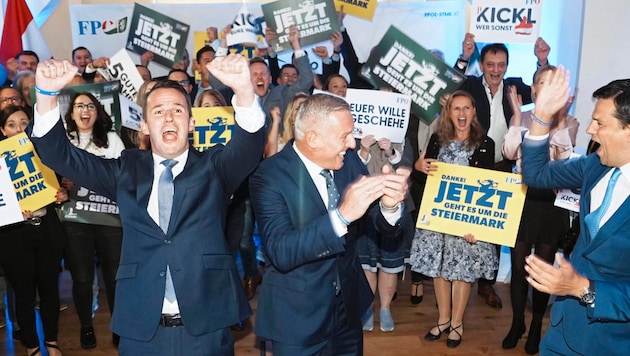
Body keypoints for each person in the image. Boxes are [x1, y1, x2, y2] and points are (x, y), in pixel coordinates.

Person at [30, 54, 265, 355]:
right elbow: (58, 155)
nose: (168, 117)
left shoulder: (215, 167)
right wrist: (47, 95)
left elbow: (250, 144)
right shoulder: (125, 170)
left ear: (191, 123)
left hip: (206, 324)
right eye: (158, 111)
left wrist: (245, 91)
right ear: (143, 125)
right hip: (142, 329)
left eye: (178, 110)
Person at [250, 93, 410, 355]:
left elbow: (381, 225)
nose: (351, 143)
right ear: (313, 139)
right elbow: (281, 251)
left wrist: (389, 206)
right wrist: (342, 216)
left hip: (347, 309)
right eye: (344, 136)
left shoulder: (347, 163)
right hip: (297, 316)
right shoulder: (269, 176)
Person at [522, 69, 630, 355]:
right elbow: (535, 174)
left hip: (609, 341)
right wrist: (542, 115)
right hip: (562, 330)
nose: (590, 130)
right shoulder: (596, 165)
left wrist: (582, 287)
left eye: (599, 123)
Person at [410, 90, 497, 348]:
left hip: (467, 221)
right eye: (456, 109)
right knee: (439, 270)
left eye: (466, 108)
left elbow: (487, 187)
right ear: (449, 113)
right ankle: (443, 319)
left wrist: (476, 225)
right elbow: (426, 176)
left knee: (462, 273)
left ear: (473, 112)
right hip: (438, 218)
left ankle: (457, 323)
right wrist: (418, 167)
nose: (461, 114)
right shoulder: (437, 139)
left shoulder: (486, 143)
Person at [501, 65, 579, 354]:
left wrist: (555, 121)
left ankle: (535, 327)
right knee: (520, 267)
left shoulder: (570, 120)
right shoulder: (520, 116)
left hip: (551, 202)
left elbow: (565, 160)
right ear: (534, 89)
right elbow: (509, 153)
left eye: (552, 84)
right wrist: (516, 119)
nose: (546, 89)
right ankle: (517, 322)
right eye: (542, 84)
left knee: (542, 269)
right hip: (522, 198)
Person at [457, 41, 535, 308]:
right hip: (470, 166)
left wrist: (542, 61)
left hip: (502, 166)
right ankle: (462, 278)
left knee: (492, 227)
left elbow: (541, 91)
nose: (496, 69)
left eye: (501, 64)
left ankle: (487, 284)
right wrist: (463, 57)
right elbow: (448, 88)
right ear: (481, 65)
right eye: (490, 64)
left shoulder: (514, 86)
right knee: (466, 224)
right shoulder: (468, 86)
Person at [60, 91, 126, 349]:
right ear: (72, 113)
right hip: (76, 219)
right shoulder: (64, 141)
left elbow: (122, 176)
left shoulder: (111, 139)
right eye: (79, 106)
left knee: (114, 276)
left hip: (110, 217)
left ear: (98, 112)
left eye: (90, 105)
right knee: (83, 278)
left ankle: (118, 325)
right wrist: (61, 182)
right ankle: (86, 326)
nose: (85, 110)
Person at [0, 105, 67, 356]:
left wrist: (61, 194)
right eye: (12, 125)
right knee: (24, 295)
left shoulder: (45, 152)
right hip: (14, 237)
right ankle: (31, 345)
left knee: (50, 291)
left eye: (23, 123)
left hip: (47, 229)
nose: (19, 129)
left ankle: (51, 341)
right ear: (2, 131)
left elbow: (58, 187)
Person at [356, 133, 412, 333]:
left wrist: (390, 152)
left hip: (394, 208)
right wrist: (363, 149)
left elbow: (408, 167)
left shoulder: (402, 135)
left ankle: (386, 309)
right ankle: (368, 308)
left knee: (390, 262)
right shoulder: (355, 135)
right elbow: (350, 171)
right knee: (367, 263)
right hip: (365, 207)